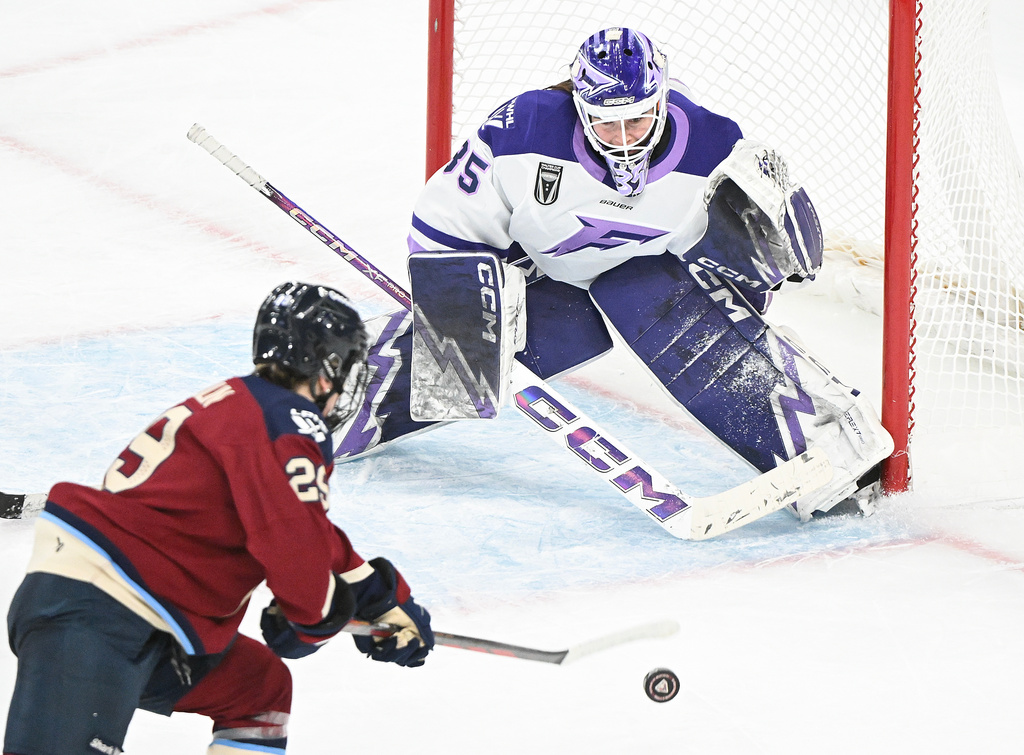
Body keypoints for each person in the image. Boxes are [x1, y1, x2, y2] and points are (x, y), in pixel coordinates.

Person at [333, 27, 893, 521]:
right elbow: (440, 224)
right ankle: (336, 398)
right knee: (462, 365)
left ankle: (818, 449)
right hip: (540, 281)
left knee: (643, 298)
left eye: (638, 119)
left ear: (662, 97)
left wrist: (770, 251)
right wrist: (465, 300)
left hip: (646, 287)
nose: (624, 138)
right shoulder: (522, 130)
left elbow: (746, 289)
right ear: (580, 107)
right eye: (607, 123)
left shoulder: (716, 149)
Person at [3, 282, 434, 755]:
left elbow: (305, 530)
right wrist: (318, 615)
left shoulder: (247, 406)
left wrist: (379, 597)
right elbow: (293, 548)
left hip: (144, 613)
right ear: (329, 368)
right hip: (96, 612)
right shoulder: (288, 421)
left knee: (258, 691)